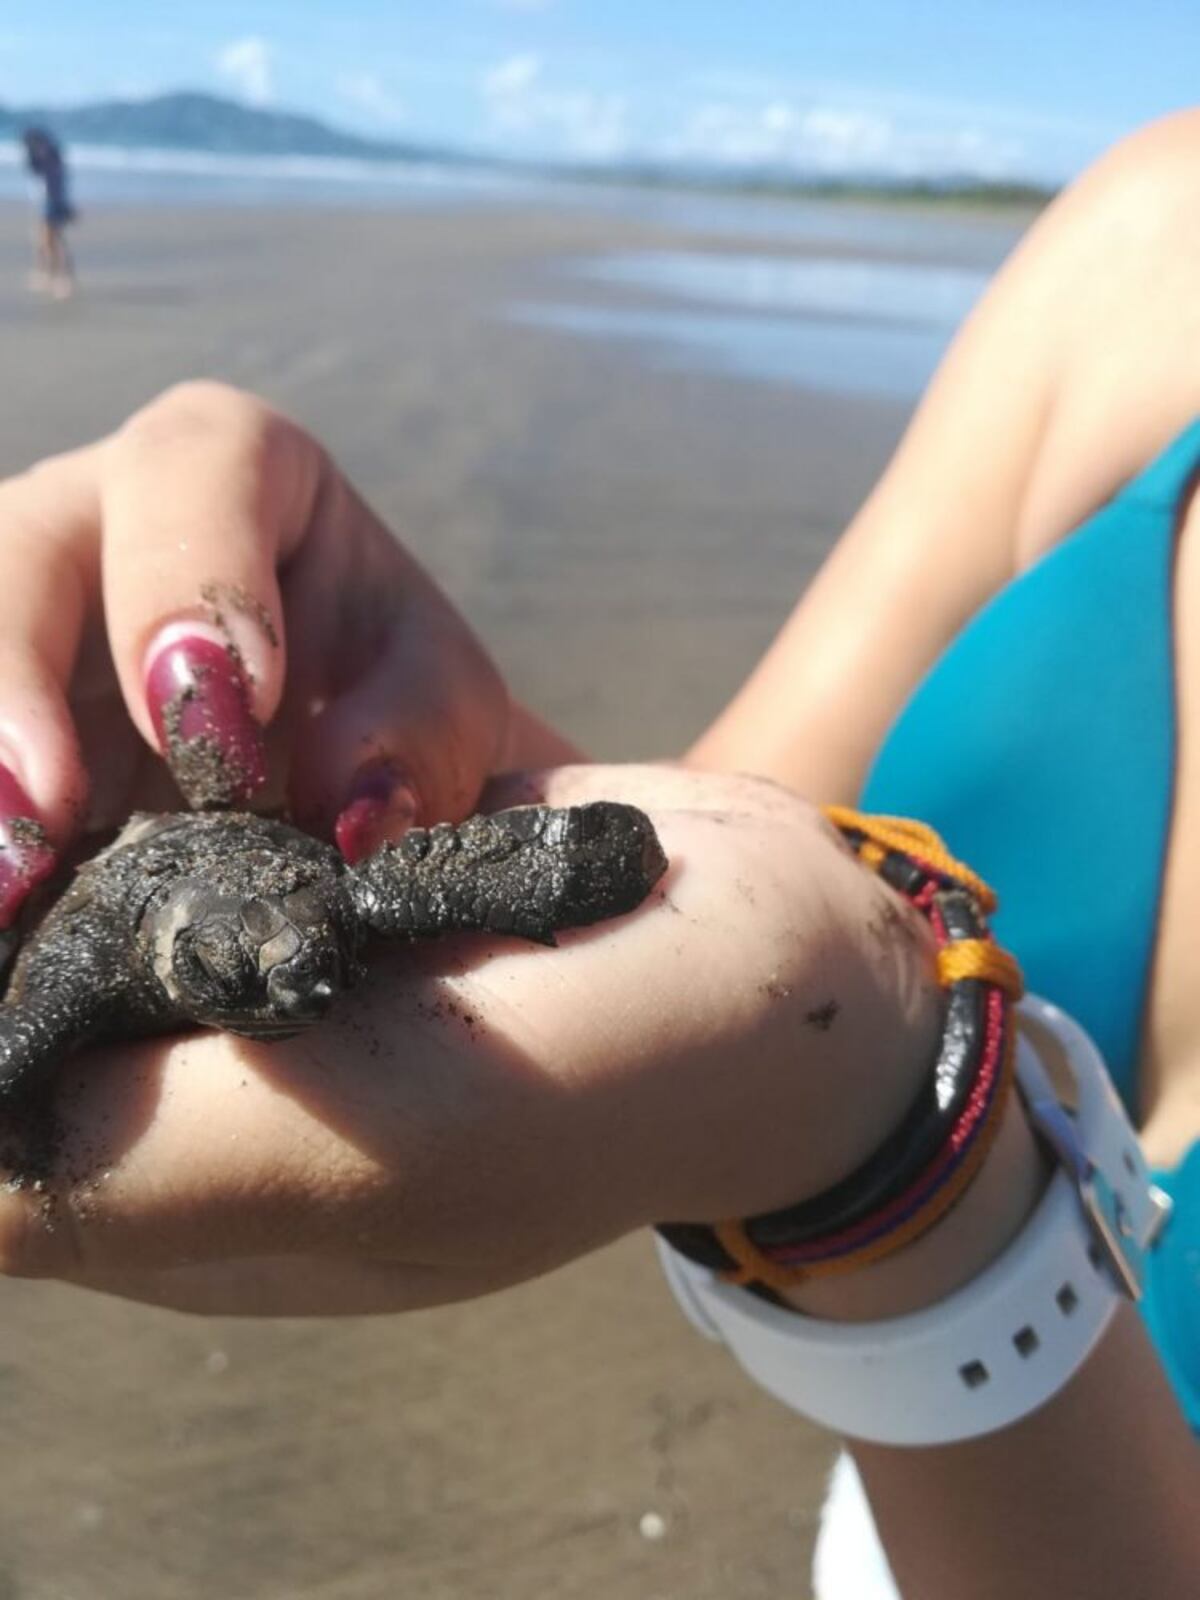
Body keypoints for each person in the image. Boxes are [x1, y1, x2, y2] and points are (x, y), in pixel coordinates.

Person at [0, 108, 1198, 1599]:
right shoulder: (1152, 244)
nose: (310, 983)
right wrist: (459, 727)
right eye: (281, 975)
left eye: (317, 958)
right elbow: (713, 836)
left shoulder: (338, 923)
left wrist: (895, 1163)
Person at [21, 126, 76, 300]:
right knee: (44, 241)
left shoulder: (50, 157)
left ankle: (62, 279)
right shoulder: (46, 158)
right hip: (48, 202)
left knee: (52, 242)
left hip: (52, 203)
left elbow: (55, 186)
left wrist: (62, 207)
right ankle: (49, 276)